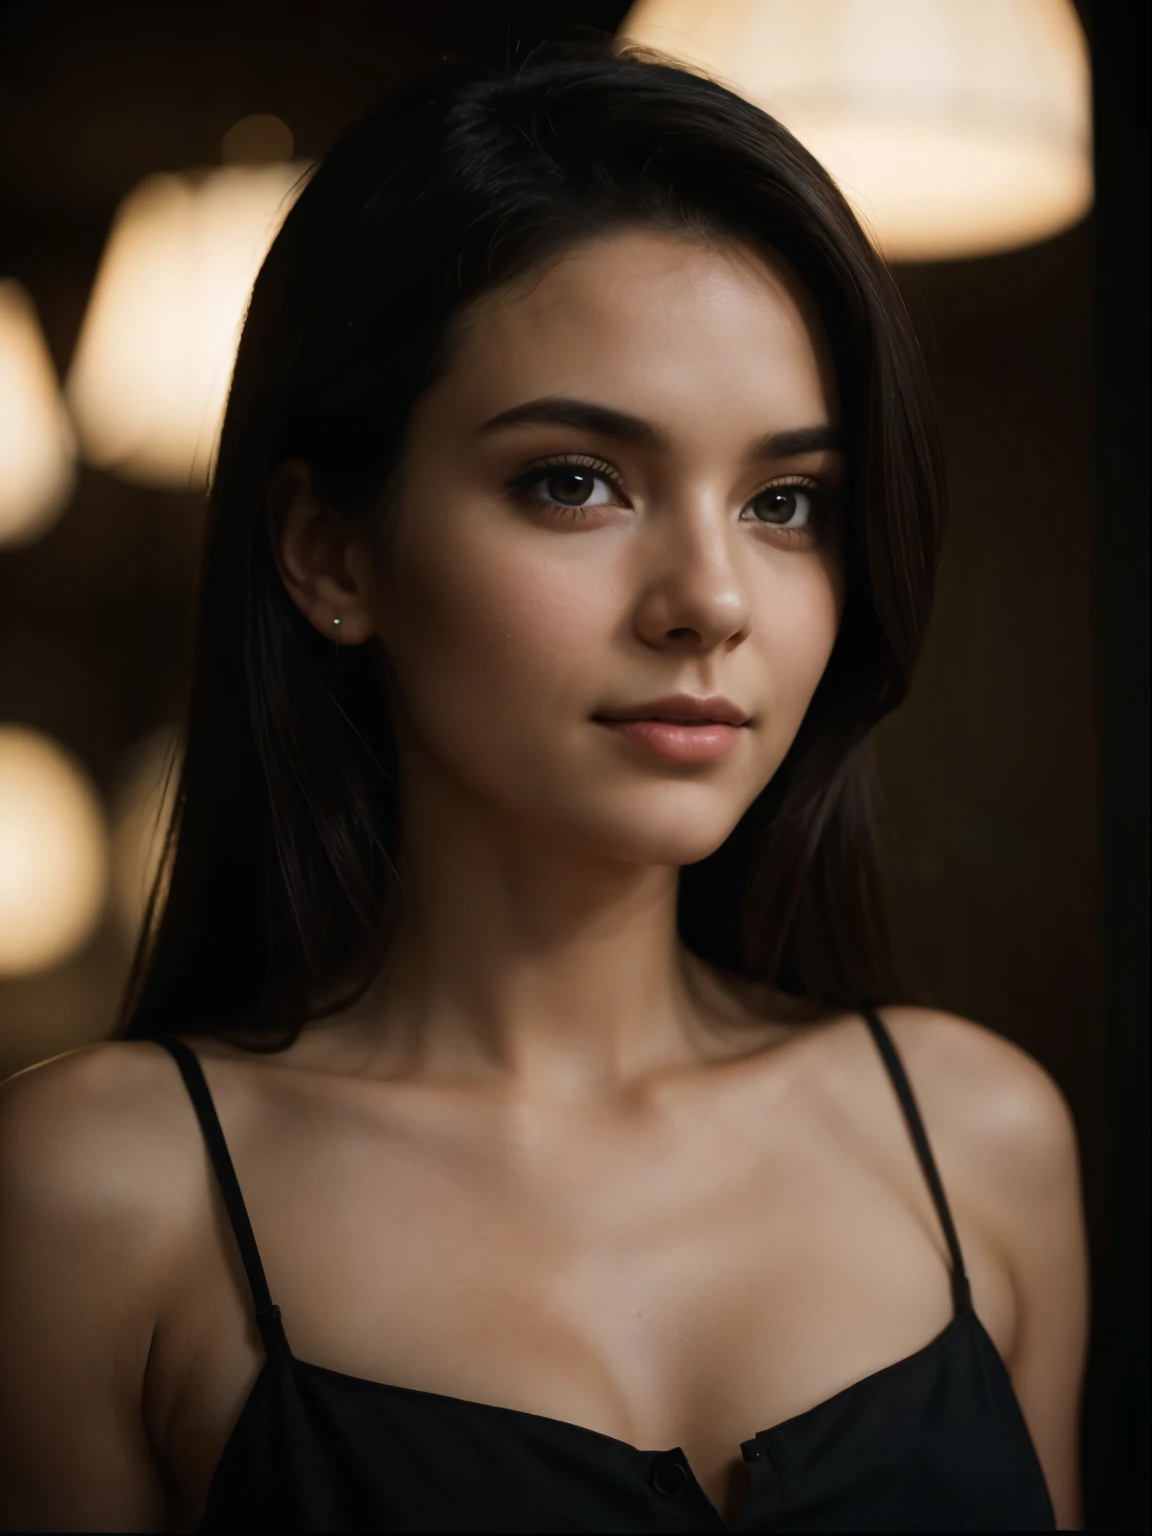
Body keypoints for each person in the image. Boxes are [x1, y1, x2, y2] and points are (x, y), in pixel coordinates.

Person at [0, 36, 1088, 1534]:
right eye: (576, 479)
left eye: (786, 503)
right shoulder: (109, 1194)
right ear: (331, 553)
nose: (709, 599)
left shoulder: (978, 1139)